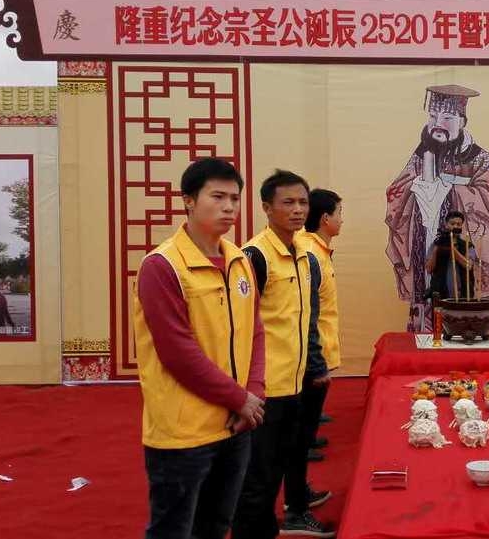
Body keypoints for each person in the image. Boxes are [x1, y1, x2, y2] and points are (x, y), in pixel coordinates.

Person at [132, 158, 265, 539]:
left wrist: (254, 394)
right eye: (217, 197)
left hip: (237, 423)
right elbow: (177, 352)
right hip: (184, 433)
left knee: (216, 526)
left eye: (235, 199)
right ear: (188, 201)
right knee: (173, 530)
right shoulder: (163, 266)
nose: (229, 207)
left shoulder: (239, 260)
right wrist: (240, 398)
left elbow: (255, 332)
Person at [232, 171, 324, 538]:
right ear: (267, 208)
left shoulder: (305, 256)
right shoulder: (254, 256)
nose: (298, 210)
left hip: (295, 385)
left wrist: (313, 366)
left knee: (280, 468)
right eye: (288, 202)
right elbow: (238, 326)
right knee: (257, 479)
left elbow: (307, 318)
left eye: (303, 202)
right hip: (263, 389)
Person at [385, 84, 489, 331]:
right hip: (426, 243)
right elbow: (397, 191)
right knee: (429, 299)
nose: (438, 124)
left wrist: (447, 190)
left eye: (448, 118)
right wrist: (420, 186)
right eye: (433, 116)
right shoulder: (420, 156)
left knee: (462, 299)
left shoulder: (481, 159)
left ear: (462, 121)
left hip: (463, 248)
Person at [283, 188, 343, 537]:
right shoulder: (309, 254)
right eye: (339, 213)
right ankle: (295, 511)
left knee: (302, 437)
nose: (342, 220)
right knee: (298, 437)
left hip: (314, 357)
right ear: (325, 218)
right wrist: (316, 364)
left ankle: (298, 494)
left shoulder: (317, 250)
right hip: (308, 361)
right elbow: (305, 315)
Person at [425, 210, 478, 300]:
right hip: (440, 295)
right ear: (446, 225)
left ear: (461, 226)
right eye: (452, 224)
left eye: (458, 224)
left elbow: (468, 265)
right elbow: (429, 269)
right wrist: (437, 249)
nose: (455, 226)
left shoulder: (468, 246)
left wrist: (452, 249)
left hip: (463, 295)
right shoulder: (436, 244)